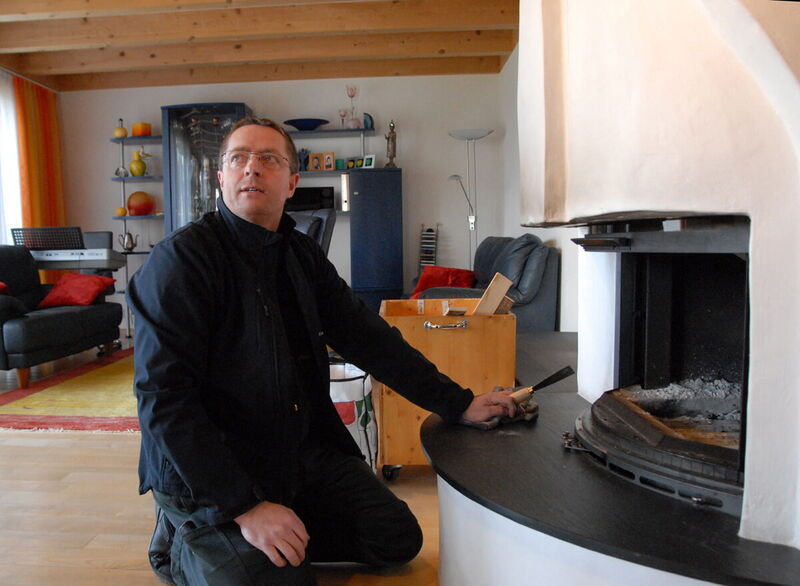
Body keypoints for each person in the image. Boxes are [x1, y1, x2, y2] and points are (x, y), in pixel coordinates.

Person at [128, 117, 517, 585]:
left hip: (295, 453)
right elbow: (163, 398)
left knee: (395, 537)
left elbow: (369, 339)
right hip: (212, 472)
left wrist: (458, 403)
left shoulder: (301, 254)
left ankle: (270, 537)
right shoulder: (180, 261)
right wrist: (245, 507)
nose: (252, 167)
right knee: (279, 579)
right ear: (221, 178)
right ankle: (184, 540)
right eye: (238, 158)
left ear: (292, 182)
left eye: (268, 159)